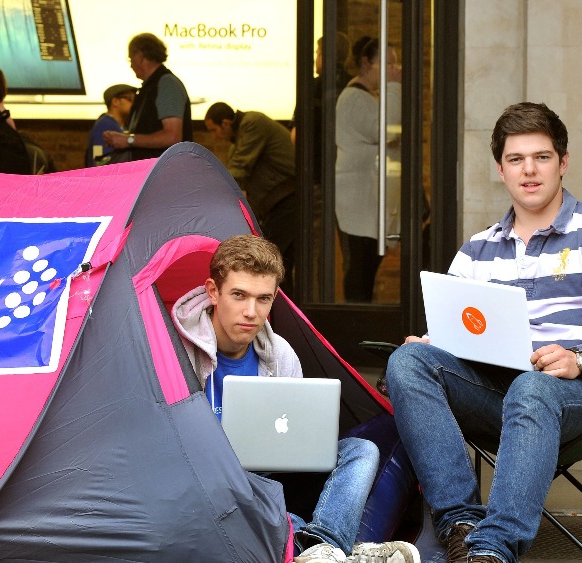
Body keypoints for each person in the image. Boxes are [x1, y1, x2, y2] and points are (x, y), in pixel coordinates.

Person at [384, 102, 582, 563]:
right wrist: (431, 344)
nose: (529, 170)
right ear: (500, 169)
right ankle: (461, 525)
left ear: (563, 162)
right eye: (515, 159)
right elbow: (453, 333)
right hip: (497, 389)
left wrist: (578, 359)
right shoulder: (476, 250)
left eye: (542, 157)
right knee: (408, 361)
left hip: (581, 390)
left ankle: (494, 548)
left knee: (533, 386)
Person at [171, 234, 420, 563]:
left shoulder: (280, 353)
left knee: (362, 450)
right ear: (213, 292)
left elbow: (295, 441)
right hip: (215, 484)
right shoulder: (177, 351)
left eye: (263, 299)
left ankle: (323, 546)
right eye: (239, 295)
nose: (251, 312)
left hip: (275, 480)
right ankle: (331, 549)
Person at [334, 36, 402, 303]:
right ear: (366, 64)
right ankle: (356, 316)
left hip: (364, 197)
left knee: (366, 265)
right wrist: (394, 88)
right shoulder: (354, 97)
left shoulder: (365, 98)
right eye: (388, 64)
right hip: (357, 200)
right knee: (360, 267)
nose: (394, 70)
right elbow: (388, 129)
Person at [204, 103, 298, 283]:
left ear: (225, 123)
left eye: (214, 130)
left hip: (288, 198)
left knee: (271, 260)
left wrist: (213, 191)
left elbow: (240, 167)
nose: (214, 136)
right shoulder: (238, 141)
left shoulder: (252, 123)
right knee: (279, 260)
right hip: (277, 202)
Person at [102, 33, 192, 161]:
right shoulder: (150, 87)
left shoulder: (167, 84)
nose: (131, 65)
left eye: (130, 59)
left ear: (140, 56)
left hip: (166, 171)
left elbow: (172, 136)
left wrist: (128, 140)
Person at [86, 84, 135, 166]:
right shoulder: (105, 125)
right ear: (115, 102)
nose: (134, 103)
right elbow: (99, 161)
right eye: (130, 99)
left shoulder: (120, 125)